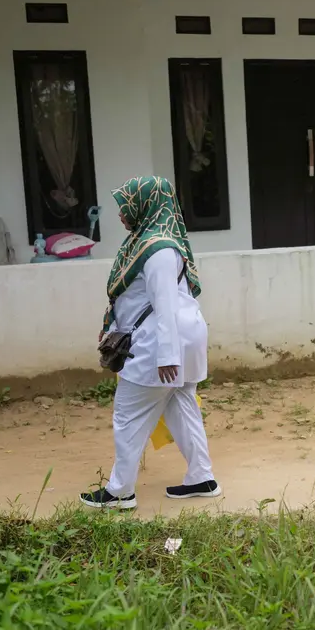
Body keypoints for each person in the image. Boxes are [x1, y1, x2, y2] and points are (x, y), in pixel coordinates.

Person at [80, 176, 220, 510]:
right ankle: (202, 477)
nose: (120, 214)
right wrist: (113, 325)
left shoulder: (157, 249)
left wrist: (166, 356)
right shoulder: (148, 242)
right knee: (181, 406)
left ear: (146, 205)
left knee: (128, 413)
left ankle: (120, 492)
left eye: (126, 205)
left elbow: (165, 305)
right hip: (179, 337)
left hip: (163, 341)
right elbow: (136, 298)